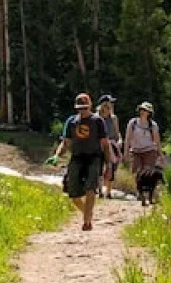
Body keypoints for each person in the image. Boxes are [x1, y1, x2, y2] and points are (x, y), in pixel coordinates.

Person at [51, 92, 106, 231]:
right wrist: (57, 155)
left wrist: (110, 160)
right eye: (80, 108)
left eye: (85, 108)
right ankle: (88, 214)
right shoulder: (71, 122)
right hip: (77, 158)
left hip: (94, 158)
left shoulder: (98, 121)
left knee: (90, 189)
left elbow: (105, 143)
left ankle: (87, 221)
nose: (83, 111)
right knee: (73, 194)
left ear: (90, 106)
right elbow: (65, 142)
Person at [122, 101, 163, 205]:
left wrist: (161, 154)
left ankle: (150, 196)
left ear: (149, 113)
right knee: (136, 172)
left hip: (149, 151)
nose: (143, 111)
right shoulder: (133, 123)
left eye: (145, 110)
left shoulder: (153, 125)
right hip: (136, 151)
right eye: (142, 109)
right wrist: (126, 152)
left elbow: (157, 141)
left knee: (149, 174)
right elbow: (127, 138)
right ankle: (140, 193)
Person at [96, 95, 120, 199]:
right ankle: (100, 190)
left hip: (111, 145)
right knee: (99, 167)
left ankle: (108, 192)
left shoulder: (113, 118)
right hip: (99, 145)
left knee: (111, 167)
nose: (111, 106)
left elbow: (117, 133)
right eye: (109, 103)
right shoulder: (96, 118)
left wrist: (119, 141)